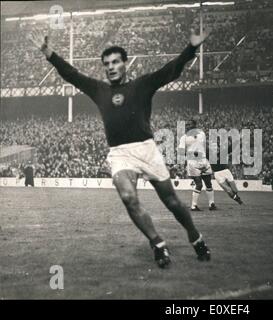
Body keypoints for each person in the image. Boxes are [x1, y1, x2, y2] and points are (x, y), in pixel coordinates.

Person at [28, 29, 211, 268]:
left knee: (173, 203)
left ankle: (194, 236)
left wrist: (191, 48)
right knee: (128, 197)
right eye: (107, 64)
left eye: (115, 62)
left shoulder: (142, 85)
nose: (111, 67)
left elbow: (171, 70)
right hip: (120, 154)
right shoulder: (99, 90)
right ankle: (157, 244)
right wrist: (48, 53)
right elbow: (71, 74)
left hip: (146, 150)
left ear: (125, 64)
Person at [178, 119, 217, 211]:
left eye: (189, 124)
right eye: (186, 125)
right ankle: (193, 206)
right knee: (199, 184)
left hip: (204, 161)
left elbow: (204, 147)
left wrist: (210, 156)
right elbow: (180, 151)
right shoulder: (184, 138)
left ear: (195, 125)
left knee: (209, 183)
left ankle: (211, 204)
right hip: (193, 162)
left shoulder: (202, 134)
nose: (187, 126)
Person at [208, 140, 243, 205]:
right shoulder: (208, 155)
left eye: (215, 146)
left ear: (217, 147)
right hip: (217, 174)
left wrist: (237, 141)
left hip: (226, 172)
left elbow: (230, 148)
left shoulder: (222, 152)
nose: (215, 148)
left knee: (235, 190)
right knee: (228, 190)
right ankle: (238, 200)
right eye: (213, 146)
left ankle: (236, 196)